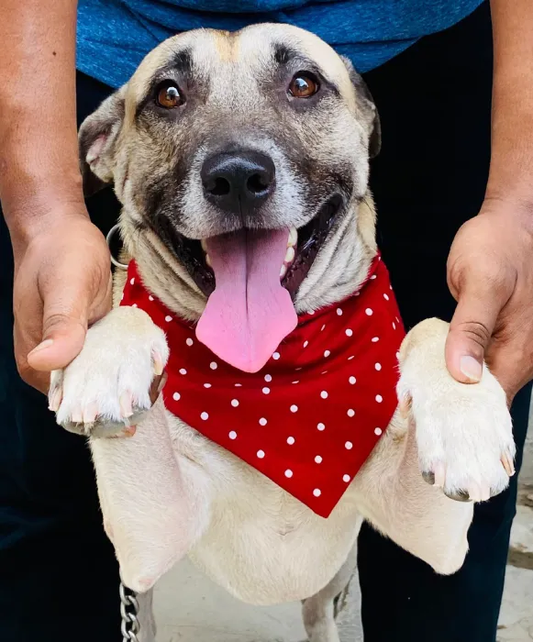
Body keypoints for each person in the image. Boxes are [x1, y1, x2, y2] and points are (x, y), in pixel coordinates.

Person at [0, 0, 531, 640]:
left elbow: (442, 547)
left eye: (300, 88)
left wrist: (522, 209)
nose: (238, 164)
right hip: (84, 41)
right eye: (170, 97)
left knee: (466, 421)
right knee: (49, 501)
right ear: (106, 151)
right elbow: (146, 552)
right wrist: (44, 212)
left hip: (431, 37)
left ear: (365, 124)